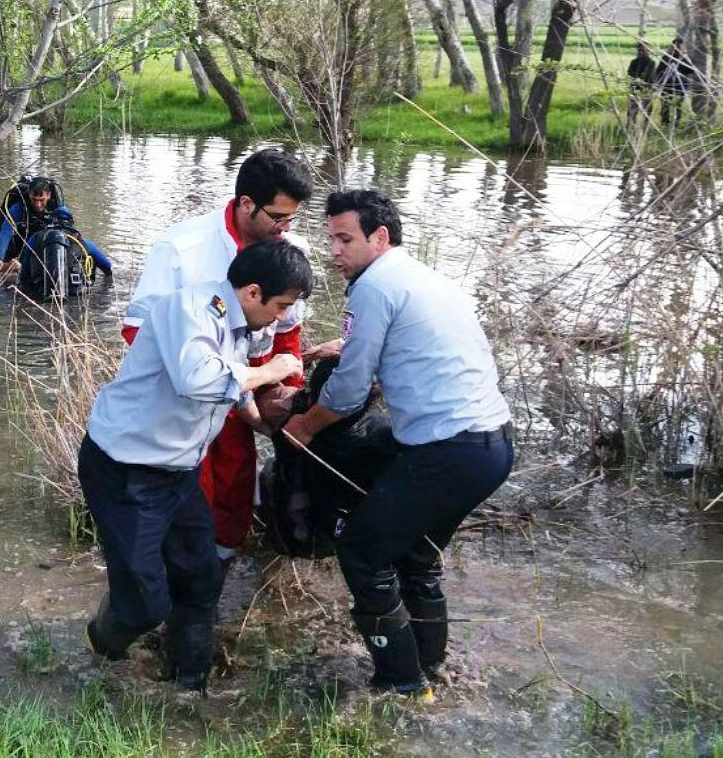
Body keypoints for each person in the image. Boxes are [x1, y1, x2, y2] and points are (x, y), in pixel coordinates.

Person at [284, 190, 513, 698]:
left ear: (379, 238)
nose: (334, 252)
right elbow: (415, 338)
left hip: (448, 450)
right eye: (330, 240)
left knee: (363, 551)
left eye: (345, 240)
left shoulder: (373, 287)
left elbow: (347, 391)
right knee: (416, 555)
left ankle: (402, 685)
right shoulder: (421, 276)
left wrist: (306, 426)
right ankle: (431, 667)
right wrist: (344, 346)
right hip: (493, 446)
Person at [81, 240, 312, 690]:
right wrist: (275, 369)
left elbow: (234, 388)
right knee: (145, 605)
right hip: (126, 470)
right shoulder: (190, 309)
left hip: (178, 470)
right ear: (251, 292)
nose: (283, 318)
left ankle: (191, 682)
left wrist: (267, 429)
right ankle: (101, 648)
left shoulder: (239, 322)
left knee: (201, 575)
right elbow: (199, 379)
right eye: (281, 306)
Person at [122, 148, 313, 563]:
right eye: (277, 217)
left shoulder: (289, 251)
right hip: (183, 391)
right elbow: (137, 332)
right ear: (246, 203)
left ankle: (214, 574)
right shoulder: (183, 249)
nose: (284, 228)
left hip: (250, 385)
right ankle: (175, 577)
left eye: (291, 219)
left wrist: (285, 393)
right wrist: (209, 381)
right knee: (189, 489)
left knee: (234, 487)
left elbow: (287, 334)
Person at [0, 175, 112, 294]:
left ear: (49, 195)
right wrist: (0, 258)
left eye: (41, 200)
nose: (38, 204)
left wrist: (108, 275)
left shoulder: (60, 209)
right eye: (34, 199)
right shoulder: (18, 209)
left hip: (44, 243)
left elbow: (77, 238)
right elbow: (5, 233)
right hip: (21, 243)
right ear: (29, 194)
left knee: (86, 246)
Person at [655, 37, 695, 131]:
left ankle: (676, 124)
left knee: (677, 106)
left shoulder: (684, 58)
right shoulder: (667, 57)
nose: (676, 48)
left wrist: (684, 57)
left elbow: (691, 70)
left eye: (679, 46)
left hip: (680, 86)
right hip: (667, 86)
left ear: (682, 47)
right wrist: (658, 82)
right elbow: (659, 70)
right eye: (675, 45)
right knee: (665, 104)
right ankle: (665, 124)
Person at [626, 42, 657, 135]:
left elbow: (649, 75)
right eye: (639, 50)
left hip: (647, 88)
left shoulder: (651, 62)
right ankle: (630, 125)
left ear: (648, 51)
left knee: (647, 108)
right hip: (635, 87)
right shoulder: (634, 61)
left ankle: (645, 127)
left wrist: (641, 77)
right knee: (633, 107)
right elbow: (630, 72)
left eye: (643, 50)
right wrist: (637, 76)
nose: (641, 52)